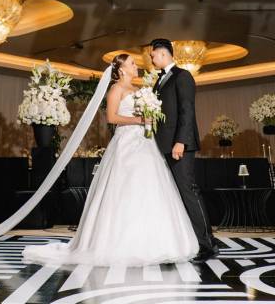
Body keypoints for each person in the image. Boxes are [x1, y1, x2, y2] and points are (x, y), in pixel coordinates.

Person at [22, 53, 199, 266]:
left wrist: (150, 118)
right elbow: (112, 117)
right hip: (126, 143)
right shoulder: (116, 89)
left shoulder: (139, 89)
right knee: (124, 189)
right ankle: (120, 243)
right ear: (122, 69)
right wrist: (139, 119)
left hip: (145, 143)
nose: (136, 66)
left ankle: (158, 243)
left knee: (150, 187)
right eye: (132, 63)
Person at [150, 38, 219, 261]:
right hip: (162, 146)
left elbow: (187, 110)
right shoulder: (158, 81)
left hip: (178, 145)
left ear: (163, 53)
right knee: (174, 194)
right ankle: (186, 241)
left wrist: (181, 141)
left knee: (188, 191)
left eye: (153, 54)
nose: (151, 58)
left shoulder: (183, 76)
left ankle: (207, 243)